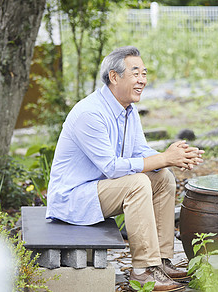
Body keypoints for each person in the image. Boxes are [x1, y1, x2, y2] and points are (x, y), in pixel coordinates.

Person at [46, 46, 204, 291]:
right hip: (74, 198)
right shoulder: (90, 113)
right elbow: (111, 167)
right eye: (136, 73)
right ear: (114, 76)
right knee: (137, 182)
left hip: (101, 190)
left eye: (144, 73)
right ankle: (142, 271)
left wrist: (176, 157)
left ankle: (160, 261)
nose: (142, 80)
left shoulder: (128, 110)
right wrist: (164, 157)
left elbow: (140, 151)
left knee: (163, 177)